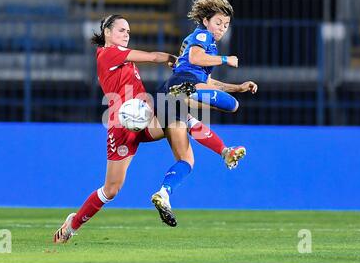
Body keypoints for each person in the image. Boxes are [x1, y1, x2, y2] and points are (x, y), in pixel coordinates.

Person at [53, 14, 245, 243]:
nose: (127, 34)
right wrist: (173, 58)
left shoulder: (121, 58)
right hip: (122, 127)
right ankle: (71, 225)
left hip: (144, 117)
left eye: (129, 31)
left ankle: (222, 151)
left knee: (180, 119)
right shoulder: (109, 53)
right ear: (107, 32)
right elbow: (153, 56)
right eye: (122, 30)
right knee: (111, 190)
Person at [150, 0, 258, 227]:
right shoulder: (202, 36)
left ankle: (164, 193)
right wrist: (225, 60)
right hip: (180, 85)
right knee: (231, 106)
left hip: (170, 92)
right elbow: (197, 59)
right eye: (218, 22)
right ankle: (189, 99)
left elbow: (208, 82)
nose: (221, 28)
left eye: (226, 25)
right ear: (206, 21)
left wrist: (238, 86)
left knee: (186, 159)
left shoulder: (206, 45)